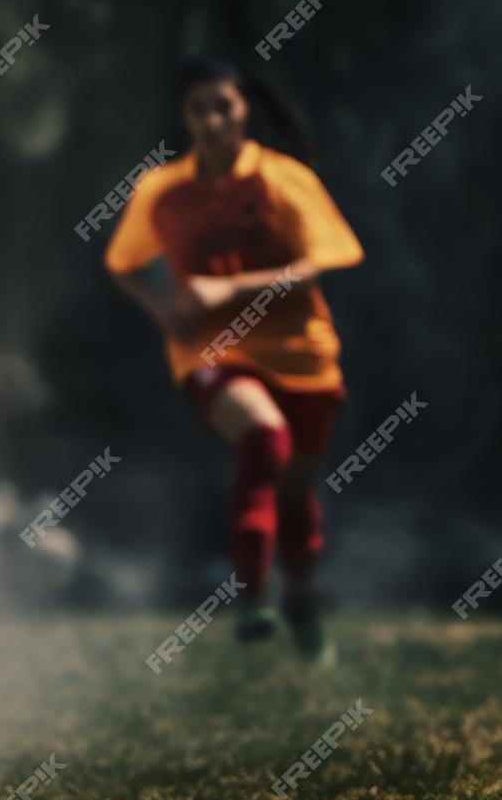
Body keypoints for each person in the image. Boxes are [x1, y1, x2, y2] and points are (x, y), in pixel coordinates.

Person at [107, 56, 362, 663]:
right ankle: (254, 599)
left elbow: (325, 262)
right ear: (185, 116)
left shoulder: (284, 178)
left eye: (223, 106)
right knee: (264, 439)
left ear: (244, 107)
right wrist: (161, 307)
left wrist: (233, 288)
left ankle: (300, 601)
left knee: (298, 494)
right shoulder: (160, 191)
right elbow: (123, 264)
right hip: (211, 351)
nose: (213, 120)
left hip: (303, 354)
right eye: (200, 109)